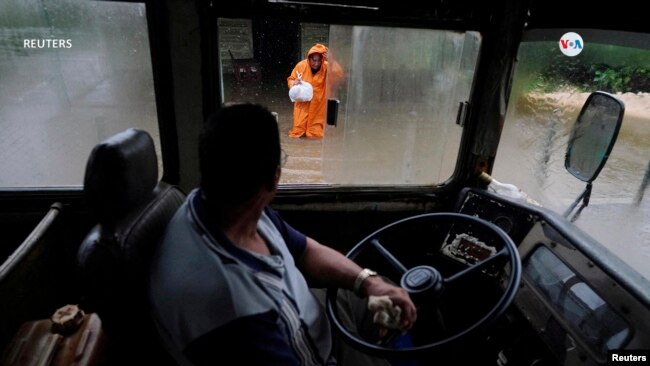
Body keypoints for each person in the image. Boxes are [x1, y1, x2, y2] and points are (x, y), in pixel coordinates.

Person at [149, 103, 417, 366]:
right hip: (309, 349)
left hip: (307, 313)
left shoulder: (223, 204)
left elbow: (305, 249)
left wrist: (367, 282)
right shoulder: (234, 309)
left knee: (387, 288)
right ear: (275, 178)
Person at [288, 43, 344, 139]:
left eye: (319, 60)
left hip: (319, 106)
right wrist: (294, 83)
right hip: (302, 105)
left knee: (315, 134)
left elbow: (338, 76)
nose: (316, 63)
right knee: (297, 133)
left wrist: (332, 61)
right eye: (314, 60)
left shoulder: (327, 66)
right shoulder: (301, 66)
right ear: (309, 58)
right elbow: (291, 78)